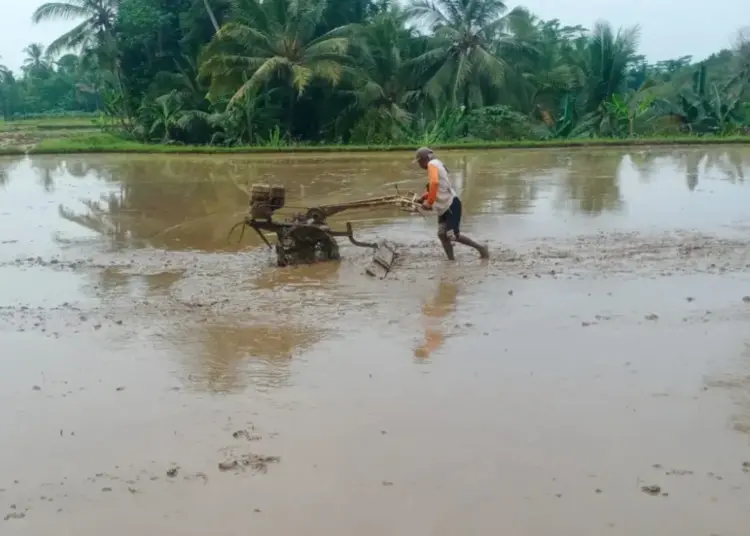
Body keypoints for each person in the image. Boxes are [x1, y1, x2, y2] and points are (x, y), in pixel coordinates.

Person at [414, 147, 489, 260]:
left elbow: (434, 183)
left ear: (424, 159)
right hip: (443, 206)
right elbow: (437, 187)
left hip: (451, 205)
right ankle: (451, 260)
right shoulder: (436, 164)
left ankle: (481, 248)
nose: (419, 165)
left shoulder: (432, 164)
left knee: (452, 235)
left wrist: (429, 203)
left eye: (419, 161)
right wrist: (424, 197)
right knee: (441, 234)